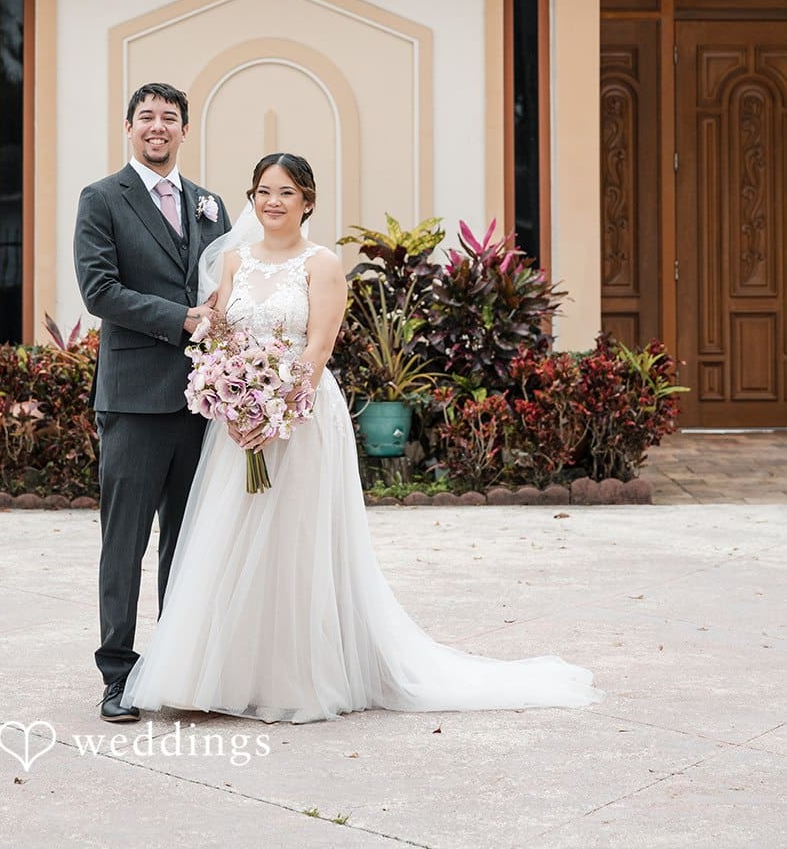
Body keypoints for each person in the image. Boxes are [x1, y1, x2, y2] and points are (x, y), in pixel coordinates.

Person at [122, 152, 607, 723]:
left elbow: (317, 348)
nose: (272, 202)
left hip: (299, 418)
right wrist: (230, 400)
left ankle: (294, 678)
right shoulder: (233, 262)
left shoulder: (321, 264)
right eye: (262, 192)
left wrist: (271, 408)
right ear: (250, 199)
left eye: (285, 192)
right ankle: (227, 675)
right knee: (232, 539)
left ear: (307, 201)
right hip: (239, 425)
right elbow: (222, 336)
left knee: (296, 542)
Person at [74, 82, 231, 722]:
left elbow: (225, 284)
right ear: (129, 127)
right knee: (126, 541)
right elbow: (99, 290)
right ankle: (117, 673)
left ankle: (175, 669)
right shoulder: (102, 199)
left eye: (169, 118)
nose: (157, 127)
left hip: (201, 401)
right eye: (146, 118)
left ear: (185, 130)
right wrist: (184, 320)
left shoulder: (211, 204)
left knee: (186, 542)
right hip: (136, 399)